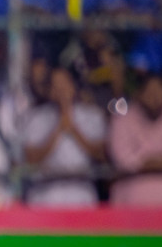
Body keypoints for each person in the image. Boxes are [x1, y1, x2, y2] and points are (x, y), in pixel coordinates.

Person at [20, 66, 106, 206]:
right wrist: (59, 128)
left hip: (82, 192)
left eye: (64, 84)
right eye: (55, 85)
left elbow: (101, 155)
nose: (61, 90)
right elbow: (31, 160)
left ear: (73, 86)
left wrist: (73, 129)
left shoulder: (93, 115)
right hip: (46, 194)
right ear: (48, 90)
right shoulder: (36, 118)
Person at [109, 71, 162, 205]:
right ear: (139, 94)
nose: (155, 98)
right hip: (134, 189)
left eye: (159, 91)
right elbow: (123, 160)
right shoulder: (123, 119)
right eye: (149, 93)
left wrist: (154, 162)